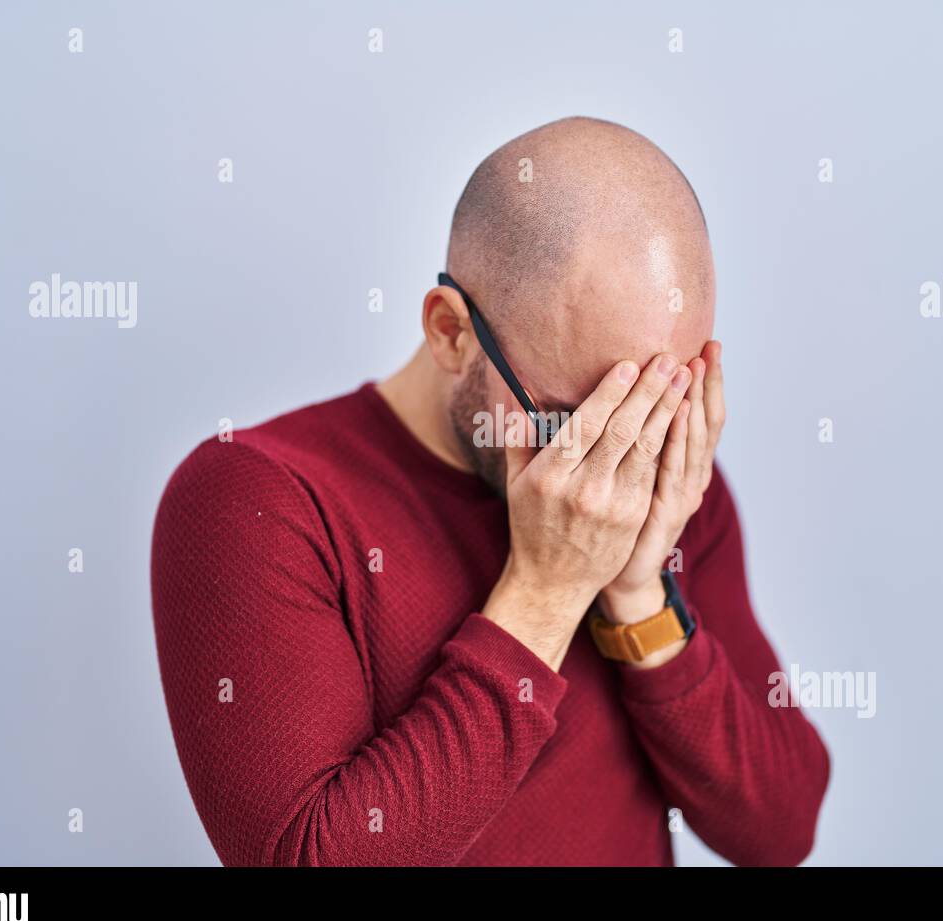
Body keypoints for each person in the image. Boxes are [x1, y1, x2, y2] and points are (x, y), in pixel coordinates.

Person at [151, 116, 831, 866]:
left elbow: (782, 828)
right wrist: (545, 590)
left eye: (663, 405)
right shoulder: (257, 499)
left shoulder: (662, 483)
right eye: (576, 421)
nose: (620, 461)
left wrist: (639, 597)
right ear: (450, 333)